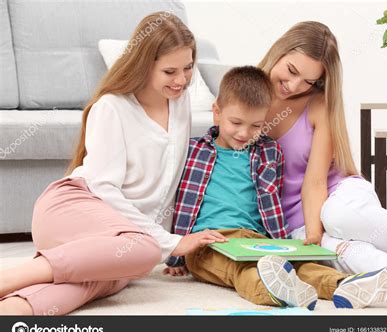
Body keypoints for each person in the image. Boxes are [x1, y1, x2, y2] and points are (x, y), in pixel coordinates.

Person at [0, 12, 227, 316]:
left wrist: (171, 250)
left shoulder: (180, 101)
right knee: (143, 251)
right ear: (144, 65)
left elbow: (168, 188)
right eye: (170, 71)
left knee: (102, 281)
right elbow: (103, 188)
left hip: (118, 239)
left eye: (187, 68)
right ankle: (8, 277)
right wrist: (170, 243)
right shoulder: (112, 107)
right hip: (74, 208)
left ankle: (16, 312)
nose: (182, 80)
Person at [165, 65, 387, 310]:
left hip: (255, 240)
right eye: (236, 123)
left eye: (256, 126)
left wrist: (286, 245)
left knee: (302, 265)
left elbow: (273, 201)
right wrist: (175, 255)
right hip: (207, 242)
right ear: (217, 112)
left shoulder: (269, 152)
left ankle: (347, 286)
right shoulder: (193, 150)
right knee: (241, 271)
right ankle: (278, 292)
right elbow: (177, 203)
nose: (244, 133)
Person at [258, 21, 387, 300]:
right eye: (291, 71)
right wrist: (315, 239)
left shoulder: (317, 104)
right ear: (279, 52)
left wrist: (316, 230)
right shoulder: (246, 94)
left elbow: (314, 182)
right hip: (293, 224)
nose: (295, 86)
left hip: (335, 195)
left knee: (338, 216)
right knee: (352, 257)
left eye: (309, 81)